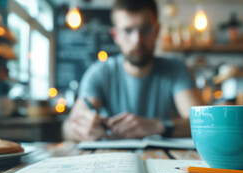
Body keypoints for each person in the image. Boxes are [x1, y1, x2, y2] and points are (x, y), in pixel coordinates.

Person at [63, 0, 202, 142]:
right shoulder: (99, 72)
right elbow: (68, 128)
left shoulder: (176, 69)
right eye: (128, 30)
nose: (137, 40)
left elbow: (202, 124)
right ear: (115, 36)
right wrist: (80, 128)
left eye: (145, 29)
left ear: (157, 31)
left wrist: (157, 126)